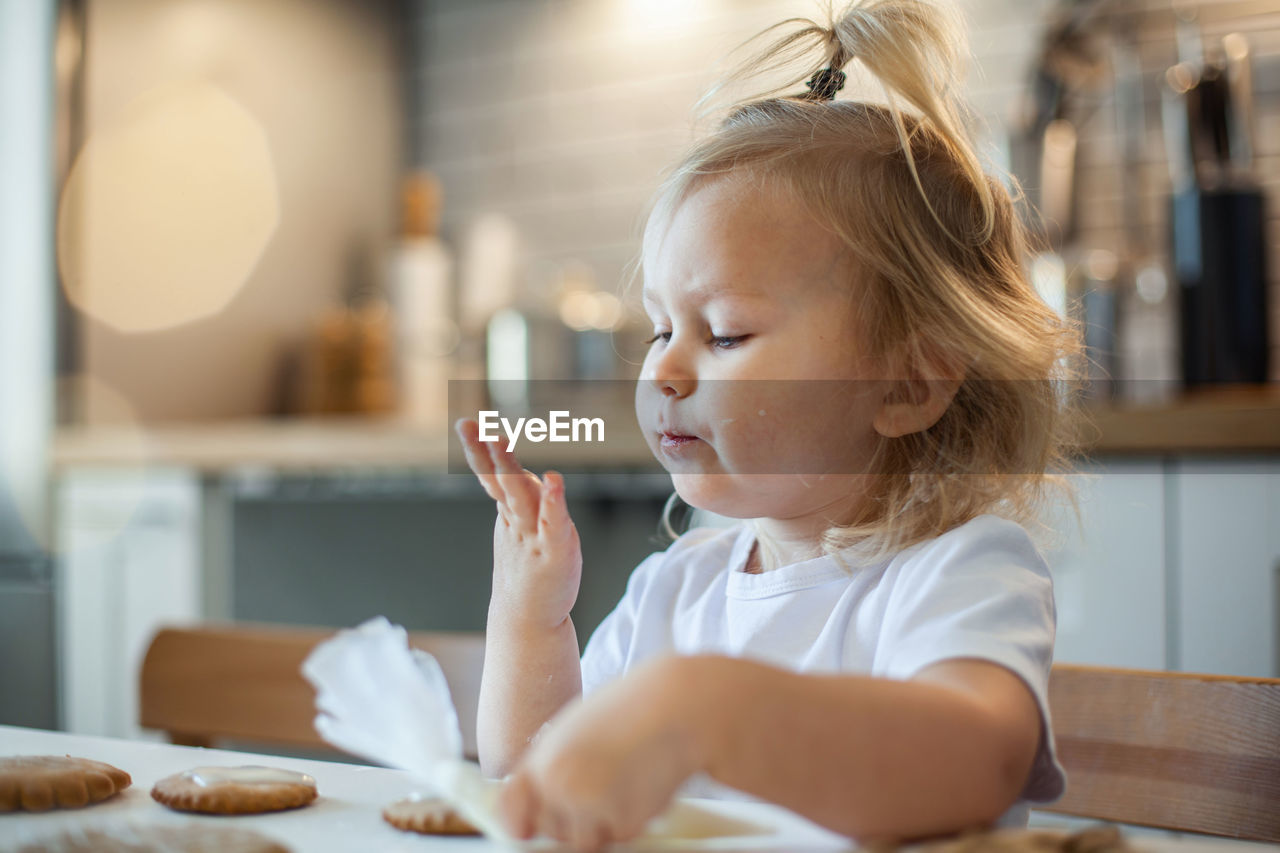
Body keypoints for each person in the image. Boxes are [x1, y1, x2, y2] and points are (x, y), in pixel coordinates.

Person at [455, 0, 1081, 849]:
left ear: (908, 383)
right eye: (659, 328)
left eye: (725, 333)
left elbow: (978, 761)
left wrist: (706, 712)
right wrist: (530, 621)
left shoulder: (958, 572)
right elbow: (535, 786)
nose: (664, 370)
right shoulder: (675, 590)